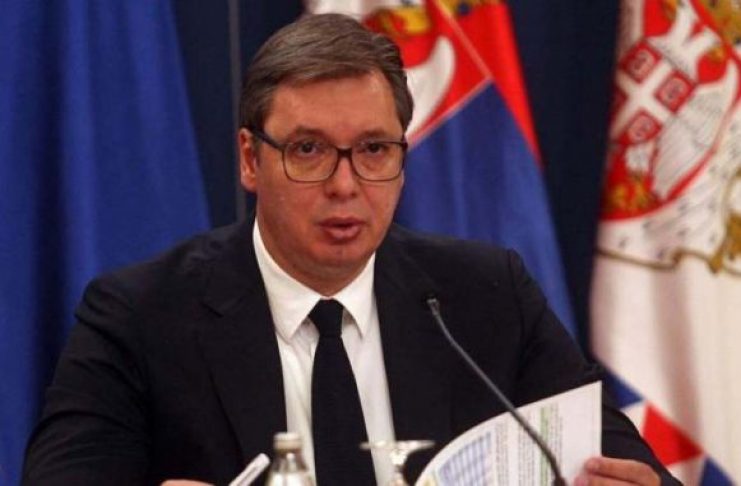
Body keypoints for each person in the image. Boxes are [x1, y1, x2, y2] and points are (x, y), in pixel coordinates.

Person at [24, 13, 677, 486]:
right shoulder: (142, 315)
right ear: (250, 159)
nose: (345, 185)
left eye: (373, 150)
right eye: (308, 150)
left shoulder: (484, 298)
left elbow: (628, 466)